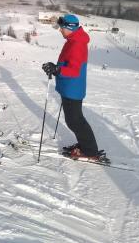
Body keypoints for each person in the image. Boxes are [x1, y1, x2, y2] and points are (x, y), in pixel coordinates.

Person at [42, 14, 100, 160]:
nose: (60, 30)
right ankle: (85, 145)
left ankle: (90, 151)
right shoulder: (73, 39)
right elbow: (67, 63)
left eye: (62, 28)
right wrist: (55, 68)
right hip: (68, 86)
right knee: (74, 120)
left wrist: (57, 70)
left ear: (69, 28)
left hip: (73, 88)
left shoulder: (77, 44)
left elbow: (74, 70)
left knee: (76, 121)